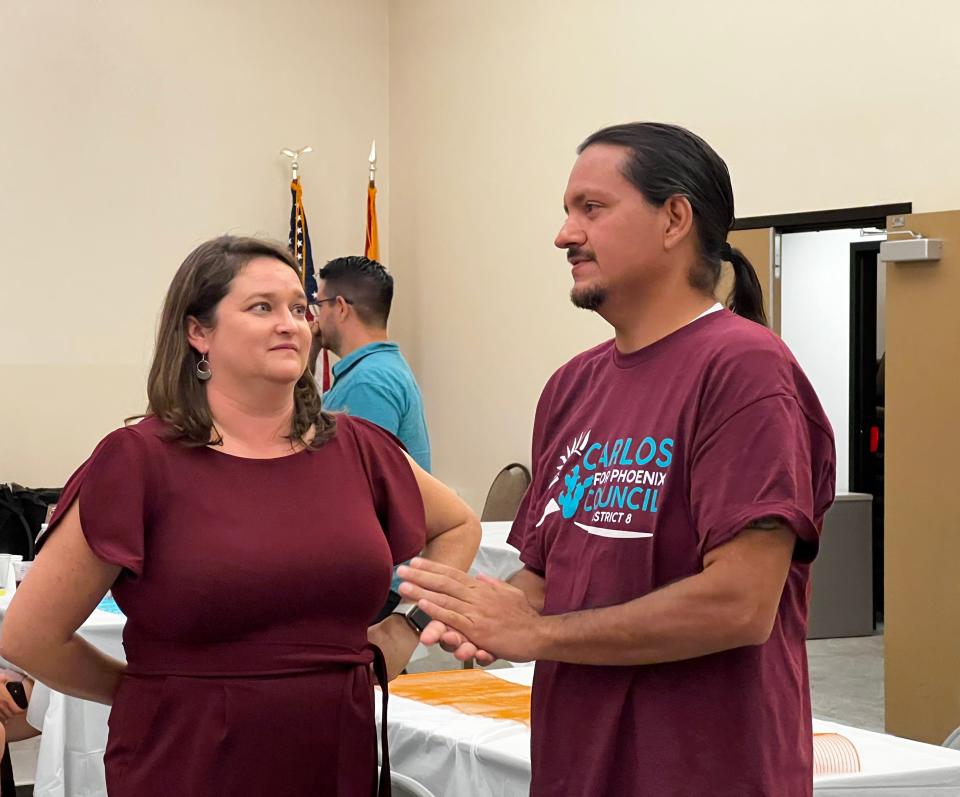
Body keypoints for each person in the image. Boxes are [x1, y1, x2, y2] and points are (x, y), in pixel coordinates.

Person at [399, 123, 836, 796]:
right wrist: (485, 611)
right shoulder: (572, 386)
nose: (564, 234)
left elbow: (740, 602)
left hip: (706, 772)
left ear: (674, 219)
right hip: (579, 766)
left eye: (591, 208)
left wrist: (536, 635)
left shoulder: (745, 367)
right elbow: (547, 582)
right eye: (567, 210)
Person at [0, 236, 480, 796]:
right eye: (262, 308)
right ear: (197, 332)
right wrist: (145, 690)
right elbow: (31, 634)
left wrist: (406, 628)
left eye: (300, 309)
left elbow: (458, 525)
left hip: (335, 749)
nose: (291, 324)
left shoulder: (358, 449)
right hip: (188, 756)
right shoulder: (138, 461)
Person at [309, 255, 431, 472]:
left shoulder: (367, 383)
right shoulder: (375, 370)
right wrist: (310, 353)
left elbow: (354, 484)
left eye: (320, 306)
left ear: (340, 308)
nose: (316, 319)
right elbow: (304, 417)